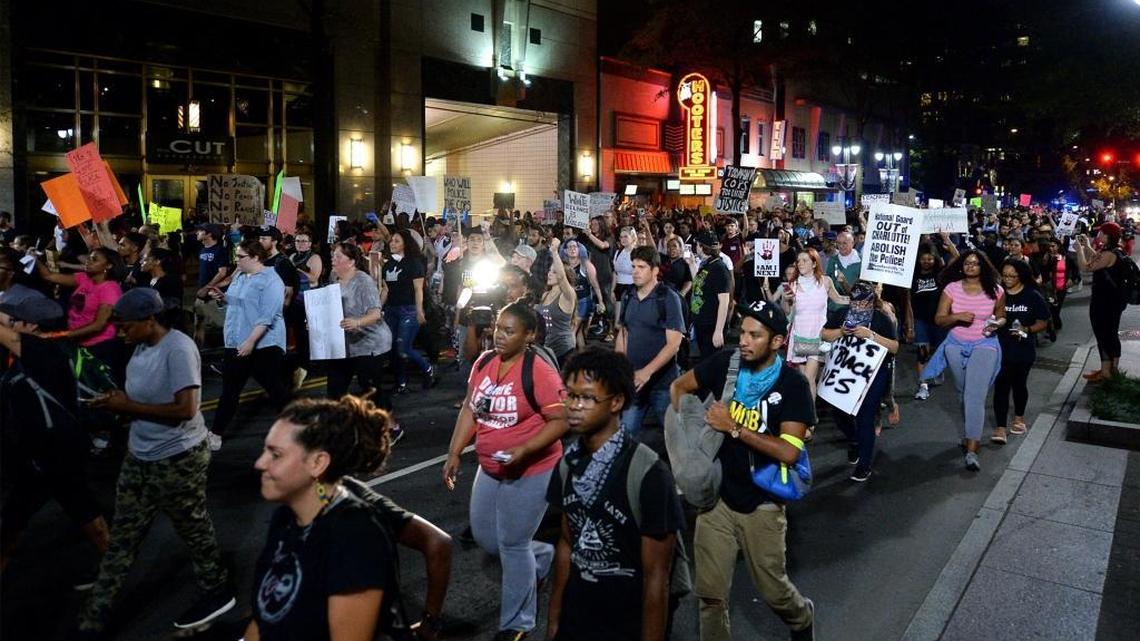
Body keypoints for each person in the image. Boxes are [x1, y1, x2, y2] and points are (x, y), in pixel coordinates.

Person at [78, 288, 235, 637]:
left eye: (126, 326)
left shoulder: (177, 348)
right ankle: (93, 619)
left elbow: (185, 410)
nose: (121, 333)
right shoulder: (140, 347)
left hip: (178, 459)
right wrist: (114, 406)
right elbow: (138, 399)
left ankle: (217, 589)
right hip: (140, 457)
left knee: (193, 530)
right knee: (123, 537)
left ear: (150, 321)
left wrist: (127, 407)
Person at [669, 300, 816, 641]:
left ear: (777, 341)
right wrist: (686, 447)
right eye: (743, 332)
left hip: (762, 504)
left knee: (774, 591)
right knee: (710, 596)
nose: (745, 341)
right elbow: (679, 388)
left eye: (756, 335)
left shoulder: (792, 386)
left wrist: (735, 428)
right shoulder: (725, 364)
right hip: (716, 500)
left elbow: (789, 452)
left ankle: (802, 617)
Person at [442, 301, 568, 641]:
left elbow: (561, 420)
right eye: (498, 328)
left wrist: (525, 449)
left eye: (509, 331)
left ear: (529, 335)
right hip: (490, 467)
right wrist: (454, 451)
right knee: (487, 537)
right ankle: (540, 557)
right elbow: (471, 407)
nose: (499, 336)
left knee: (512, 543)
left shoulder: (539, 371)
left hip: (532, 470)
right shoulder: (484, 362)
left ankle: (517, 624)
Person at [546, 347, 683, 641]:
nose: (574, 405)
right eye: (569, 395)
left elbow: (657, 578)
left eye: (587, 398)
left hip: (625, 625)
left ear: (617, 401)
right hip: (577, 620)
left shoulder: (648, 474)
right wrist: (554, 621)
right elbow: (567, 545)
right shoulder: (568, 464)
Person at [246, 396, 409, 641]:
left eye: (276, 454)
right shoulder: (285, 518)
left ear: (318, 463)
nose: (260, 463)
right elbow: (263, 621)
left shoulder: (355, 534)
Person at [0, 288, 110, 580]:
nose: (8, 324)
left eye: (13, 319)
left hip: (55, 453)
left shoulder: (41, 350)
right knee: (15, 524)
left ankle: (115, 576)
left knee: (86, 517)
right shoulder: (35, 351)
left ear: (31, 325)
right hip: (38, 455)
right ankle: (114, 572)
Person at [207, 240, 291, 447]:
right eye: (236, 256)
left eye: (241, 257)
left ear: (255, 257)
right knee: (230, 389)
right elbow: (240, 302)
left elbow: (267, 315)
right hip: (236, 340)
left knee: (273, 387)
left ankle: (297, 426)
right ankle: (216, 434)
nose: (237, 261)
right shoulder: (240, 277)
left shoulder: (272, 280)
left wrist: (251, 341)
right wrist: (223, 298)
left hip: (264, 344)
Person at [928, 250, 1005, 471]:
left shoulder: (996, 290)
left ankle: (972, 449)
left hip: (985, 345)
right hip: (955, 345)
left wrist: (997, 324)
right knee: (963, 393)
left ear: (984, 267)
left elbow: (1002, 316)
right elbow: (940, 320)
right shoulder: (951, 289)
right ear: (962, 266)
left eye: (976, 263)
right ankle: (970, 433)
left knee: (974, 396)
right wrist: (957, 317)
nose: (971, 266)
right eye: (967, 263)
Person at [820, 283, 901, 482]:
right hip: (845, 373)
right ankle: (854, 440)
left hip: (873, 375)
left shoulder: (881, 318)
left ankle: (864, 465)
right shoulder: (841, 314)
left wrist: (870, 335)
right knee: (839, 412)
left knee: (865, 417)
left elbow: (895, 347)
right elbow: (824, 334)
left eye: (864, 302)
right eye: (856, 301)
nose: (860, 306)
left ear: (872, 301)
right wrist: (841, 332)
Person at [325, 242, 399, 440]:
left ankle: (392, 427)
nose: (334, 259)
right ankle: (339, 431)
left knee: (371, 389)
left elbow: (375, 313)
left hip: (370, 343)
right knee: (335, 387)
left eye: (338, 256)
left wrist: (357, 322)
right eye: (333, 255)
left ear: (351, 262)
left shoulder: (363, 281)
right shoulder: (333, 278)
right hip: (346, 344)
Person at [615, 245, 685, 437]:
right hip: (634, 382)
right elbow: (624, 333)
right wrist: (621, 368)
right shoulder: (627, 296)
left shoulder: (668, 298)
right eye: (633, 266)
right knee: (625, 435)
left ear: (655, 270)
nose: (635, 272)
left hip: (663, 383)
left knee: (674, 435)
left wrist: (647, 372)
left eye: (641, 267)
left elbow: (674, 344)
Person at [34, 246, 126, 382]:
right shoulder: (84, 278)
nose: (88, 261)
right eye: (89, 257)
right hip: (78, 340)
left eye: (94, 259)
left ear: (109, 265)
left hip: (98, 347)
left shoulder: (109, 288)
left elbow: (98, 325)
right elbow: (50, 276)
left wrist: (61, 335)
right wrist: (35, 259)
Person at [992, 259, 1050, 443]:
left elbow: (1043, 322)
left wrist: (1027, 330)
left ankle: (1019, 418)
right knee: (1001, 386)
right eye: (1004, 275)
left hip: (1023, 349)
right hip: (999, 348)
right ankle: (1000, 428)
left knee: (1019, 384)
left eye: (1012, 276)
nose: (1007, 279)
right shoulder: (997, 293)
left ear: (1021, 276)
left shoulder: (1032, 295)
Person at [785, 248, 848, 400]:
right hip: (800, 336)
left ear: (814, 263)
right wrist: (786, 300)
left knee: (809, 378)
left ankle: (810, 419)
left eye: (805, 260)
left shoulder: (825, 281)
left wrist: (862, 300)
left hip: (818, 336)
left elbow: (839, 299)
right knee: (805, 381)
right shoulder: (793, 284)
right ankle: (809, 416)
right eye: (798, 261)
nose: (800, 263)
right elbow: (788, 313)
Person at [381, 229, 438, 393]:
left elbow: (418, 289)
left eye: (397, 241)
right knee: (392, 347)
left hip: (409, 310)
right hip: (391, 310)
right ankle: (401, 383)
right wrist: (378, 309)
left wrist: (419, 311)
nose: (392, 243)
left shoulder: (413, 263)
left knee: (403, 347)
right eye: (391, 241)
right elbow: (385, 289)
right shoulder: (388, 264)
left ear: (406, 243)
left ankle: (427, 369)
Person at [1075, 222, 1129, 382]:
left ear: (1107, 235)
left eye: (1101, 232)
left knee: (1104, 333)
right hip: (1112, 300)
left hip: (1105, 301)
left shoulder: (1109, 254)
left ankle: (1108, 372)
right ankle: (1109, 370)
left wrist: (1079, 250)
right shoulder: (1114, 250)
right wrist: (1086, 246)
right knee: (1109, 333)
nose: (1098, 234)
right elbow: (1098, 260)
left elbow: (1086, 267)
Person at [912, 244, 946, 401]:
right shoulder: (913, 276)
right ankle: (923, 386)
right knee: (922, 353)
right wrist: (908, 323)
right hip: (920, 320)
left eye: (930, 259)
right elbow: (907, 301)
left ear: (935, 259)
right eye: (923, 259)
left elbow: (958, 259)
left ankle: (937, 370)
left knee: (941, 351)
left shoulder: (940, 274)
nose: (926, 261)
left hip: (939, 320)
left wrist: (947, 241)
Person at [689, 232, 731, 361]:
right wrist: (691, 264)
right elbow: (699, 283)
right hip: (701, 322)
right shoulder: (707, 264)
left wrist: (718, 330)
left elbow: (724, 302)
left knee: (712, 363)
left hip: (711, 325)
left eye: (697, 245)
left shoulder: (719, 268)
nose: (695, 248)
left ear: (702, 247)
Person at [536, 237, 577, 365]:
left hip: (563, 351)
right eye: (549, 270)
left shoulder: (568, 295)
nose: (549, 273)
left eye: (553, 271)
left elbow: (561, 276)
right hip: (546, 350)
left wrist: (554, 251)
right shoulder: (545, 294)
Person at [193, 223, 230, 346]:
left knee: (219, 326)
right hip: (202, 293)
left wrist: (207, 288)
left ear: (209, 234)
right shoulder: (202, 250)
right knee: (198, 324)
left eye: (200, 231)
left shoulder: (220, 250)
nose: (197, 233)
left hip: (213, 294)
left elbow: (222, 272)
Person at [562, 239, 604, 349]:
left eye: (574, 247)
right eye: (569, 247)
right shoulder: (563, 266)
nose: (572, 249)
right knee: (579, 332)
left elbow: (595, 285)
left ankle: (567, 355)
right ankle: (582, 357)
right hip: (570, 303)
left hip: (583, 301)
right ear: (565, 251)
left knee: (572, 330)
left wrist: (601, 302)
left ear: (579, 249)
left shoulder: (586, 265)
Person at [823, 231, 860, 312]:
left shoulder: (861, 261)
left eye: (844, 243)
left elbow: (864, 289)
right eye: (839, 243)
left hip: (853, 309)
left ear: (852, 243)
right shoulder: (833, 260)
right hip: (833, 309)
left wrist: (844, 283)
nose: (841, 246)